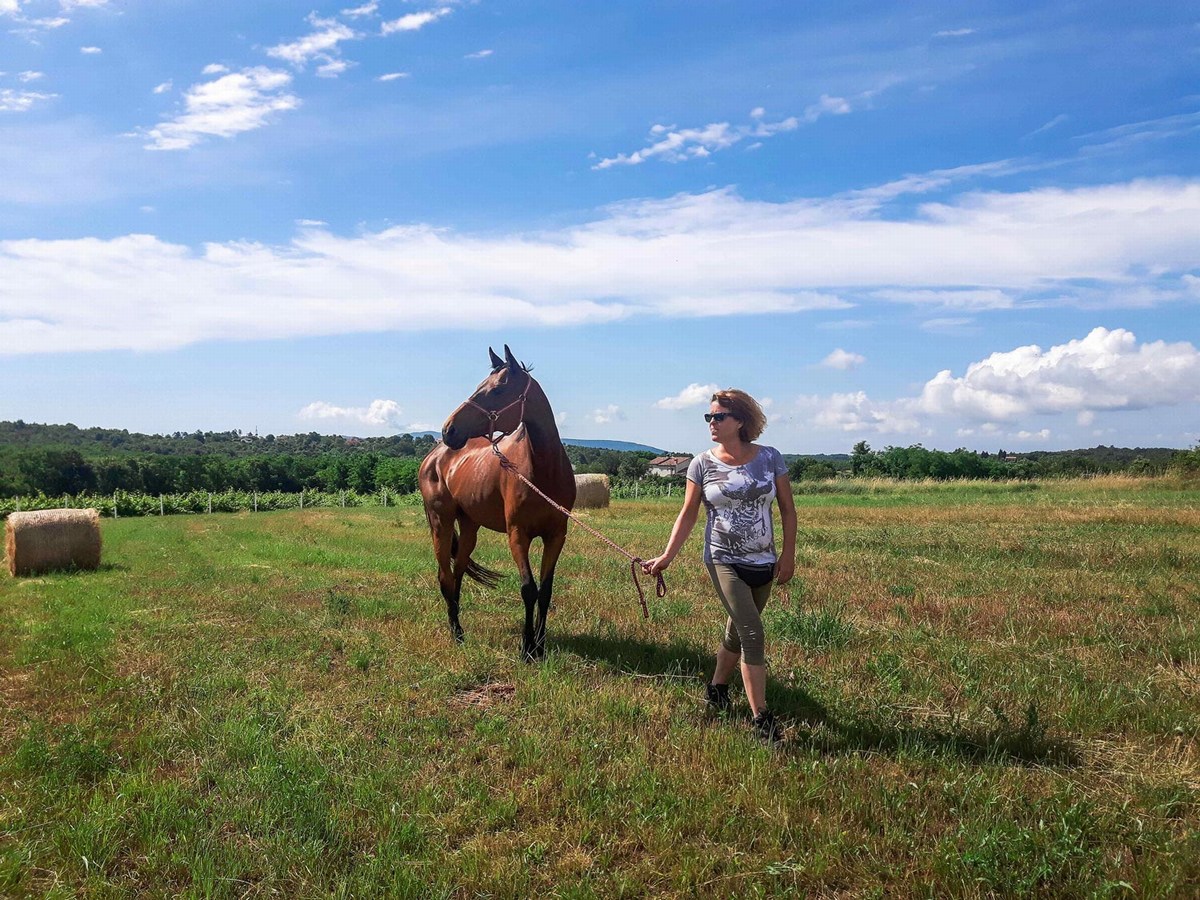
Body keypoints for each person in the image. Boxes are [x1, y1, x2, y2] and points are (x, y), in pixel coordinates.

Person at [642, 389, 796, 743]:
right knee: (752, 635)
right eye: (708, 417)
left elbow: (787, 509)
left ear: (740, 421)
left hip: (764, 560)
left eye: (718, 417)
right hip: (722, 557)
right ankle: (762, 720)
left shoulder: (770, 458)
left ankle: (716, 687)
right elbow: (688, 514)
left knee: (735, 632)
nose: (711, 423)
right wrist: (666, 557)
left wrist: (787, 555)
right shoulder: (701, 463)